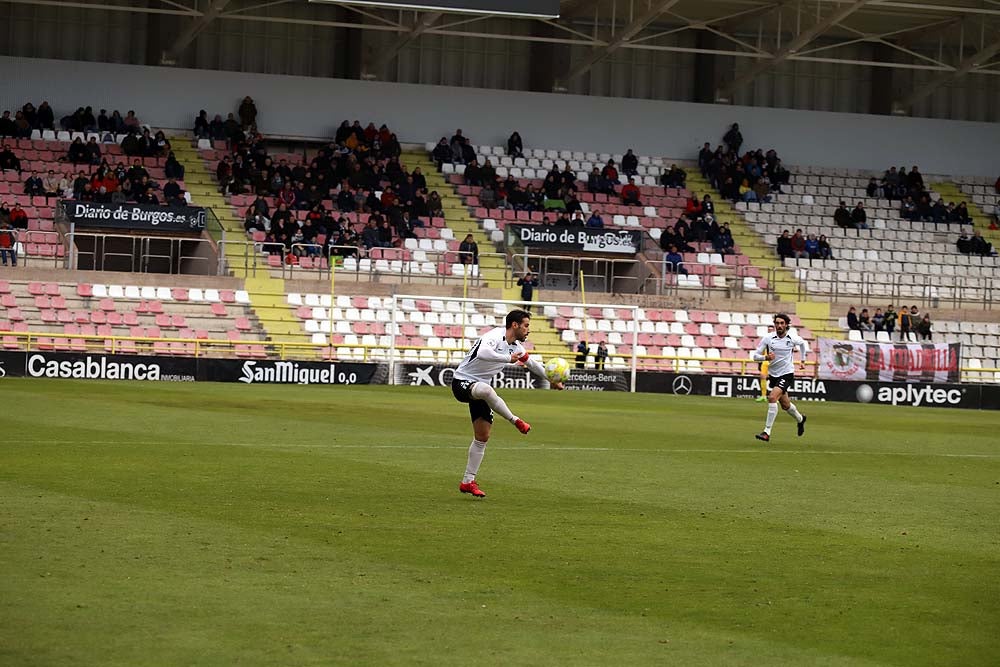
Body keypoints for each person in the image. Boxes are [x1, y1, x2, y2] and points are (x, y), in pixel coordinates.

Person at [453, 309, 564, 498]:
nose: (528, 330)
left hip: (480, 388)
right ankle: (515, 420)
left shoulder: (517, 347)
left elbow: (533, 364)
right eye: (526, 326)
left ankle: (467, 481)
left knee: (482, 437)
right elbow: (482, 353)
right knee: (486, 390)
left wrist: (551, 378)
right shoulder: (495, 335)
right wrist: (506, 358)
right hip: (462, 381)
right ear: (515, 325)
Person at [752, 313, 808, 442]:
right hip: (774, 375)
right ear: (774, 325)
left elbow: (803, 344)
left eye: (782, 323)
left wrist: (803, 360)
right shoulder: (768, 338)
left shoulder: (792, 338)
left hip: (787, 374)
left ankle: (766, 432)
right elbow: (755, 356)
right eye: (777, 323)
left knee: (772, 397)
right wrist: (765, 357)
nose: (779, 325)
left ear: (786, 325)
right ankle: (800, 419)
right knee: (785, 405)